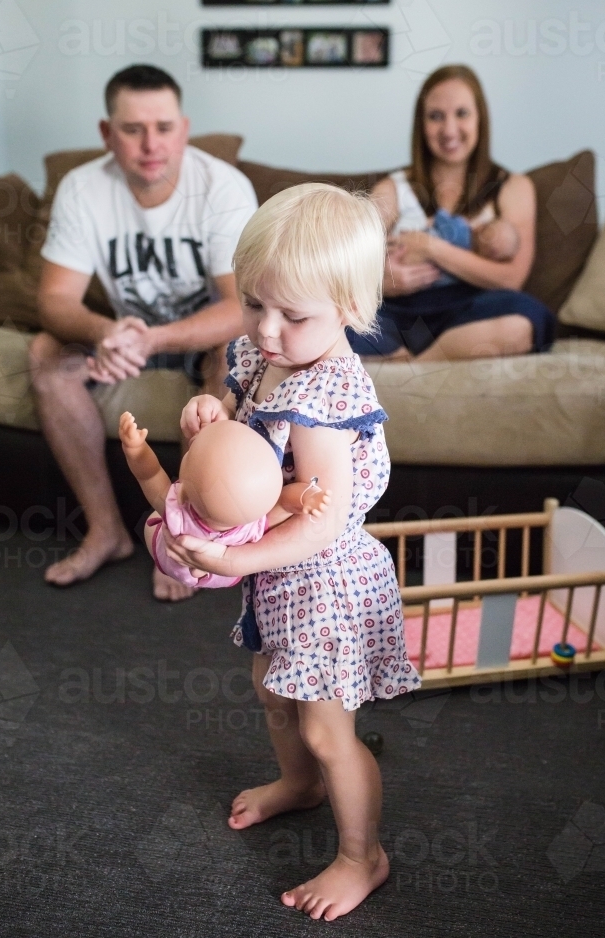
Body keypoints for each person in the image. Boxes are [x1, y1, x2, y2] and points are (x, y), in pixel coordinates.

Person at [163, 183, 421, 921]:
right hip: (282, 575)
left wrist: (234, 561)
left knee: (324, 724)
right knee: (271, 687)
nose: (267, 329)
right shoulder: (259, 351)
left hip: (324, 578)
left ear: (347, 308)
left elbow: (323, 519)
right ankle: (299, 785)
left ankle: (359, 854)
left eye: (292, 314)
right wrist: (209, 417)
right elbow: (243, 439)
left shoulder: (329, 396)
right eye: (254, 302)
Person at [29, 64, 257, 600]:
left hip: (195, 336)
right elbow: (53, 301)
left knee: (237, 357)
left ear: (184, 127)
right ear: (108, 134)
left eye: (163, 127)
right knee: (45, 356)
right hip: (124, 333)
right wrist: (106, 331)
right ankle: (106, 530)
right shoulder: (82, 188)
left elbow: (240, 309)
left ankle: (187, 540)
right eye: (132, 129)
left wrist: (150, 339)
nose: (151, 143)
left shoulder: (222, 188)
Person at [348, 64, 555, 362]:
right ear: (421, 124)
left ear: (480, 118)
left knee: (527, 319)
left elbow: (511, 279)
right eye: (435, 116)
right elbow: (345, 263)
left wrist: (431, 247)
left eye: (462, 114)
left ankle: (416, 367)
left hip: (471, 311)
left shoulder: (513, 187)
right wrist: (381, 285)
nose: (449, 130)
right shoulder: (393, 189)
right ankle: (401, 356)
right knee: (332, 321)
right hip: (398, 311)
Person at [118, 412, 331, 588]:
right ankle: (201, 568)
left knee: (153, 522)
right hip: (226, 575)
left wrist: (135, 448)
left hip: (172, 556)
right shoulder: (251, 526)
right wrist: (306, 497)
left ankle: (196, 566)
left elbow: (149, 474)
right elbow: (285, 502)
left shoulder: (177, 510)